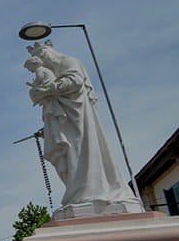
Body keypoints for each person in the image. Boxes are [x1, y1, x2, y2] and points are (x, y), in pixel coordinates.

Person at [28, 41, 137, 209]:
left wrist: (48, 90)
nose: (43, 64)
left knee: (82, 152)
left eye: (42, 57)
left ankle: (89, 191)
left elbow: (75, 81)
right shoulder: (51, 70)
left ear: (47, 53)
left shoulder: (69, 62)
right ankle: (77, 191)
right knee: (69, 155)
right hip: (66, 120)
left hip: (79, 120)